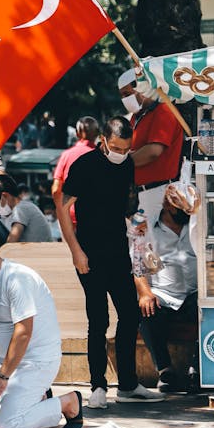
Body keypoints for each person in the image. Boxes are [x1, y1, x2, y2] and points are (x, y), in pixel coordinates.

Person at [57, 116, 163, 409]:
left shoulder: (127, 164)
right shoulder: (84, 165)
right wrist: (75, 251)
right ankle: (98, 385)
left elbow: (127, 203)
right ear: (103, 140)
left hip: (118, 249)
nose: (121, 153)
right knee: (98, 319)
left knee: (130, 315)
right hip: (89, 252)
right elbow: (62, 208)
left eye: (126, 148)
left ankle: (128, 383)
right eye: (116, 147)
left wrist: (137, 222)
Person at [0, 235, 83, 428]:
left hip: (37, 362)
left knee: (6, 427)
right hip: (5, 362)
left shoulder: (18, 279)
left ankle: (68, 402)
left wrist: (2, 377)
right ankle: (39, 399)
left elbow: (23, 333)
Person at [134, 185, 198, 393]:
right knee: (146, 311)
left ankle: (197, 369)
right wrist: (145, 293)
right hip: (164, 293)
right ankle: (165, 370)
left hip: (195, 292)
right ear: (169, 207)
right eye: (183, 211)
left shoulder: (197, 225)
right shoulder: (148, 229)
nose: (187, 215)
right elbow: (138, 266)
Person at [118, 68, 184, 219]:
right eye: (122, 96)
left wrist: (122, 163)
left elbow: (153, 151)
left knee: (154, 242)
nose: (125, 99)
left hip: (158, 192)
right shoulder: (137, 117)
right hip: (142, 193)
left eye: (127, 94)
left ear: (142, 88)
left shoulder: (164, 110)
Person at [0, 174, 52, 248]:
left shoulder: (22, 208)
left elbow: (11, 241)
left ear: (5, 196)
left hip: (33, 254)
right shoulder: (10, 213)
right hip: (24, 251)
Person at [52, 116, 99, 215]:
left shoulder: (66, 155)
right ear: (97, 134)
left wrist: (61, 211)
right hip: (95, 214)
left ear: (77, 133)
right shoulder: (103, 157)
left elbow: (56, 190)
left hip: (69, 214)